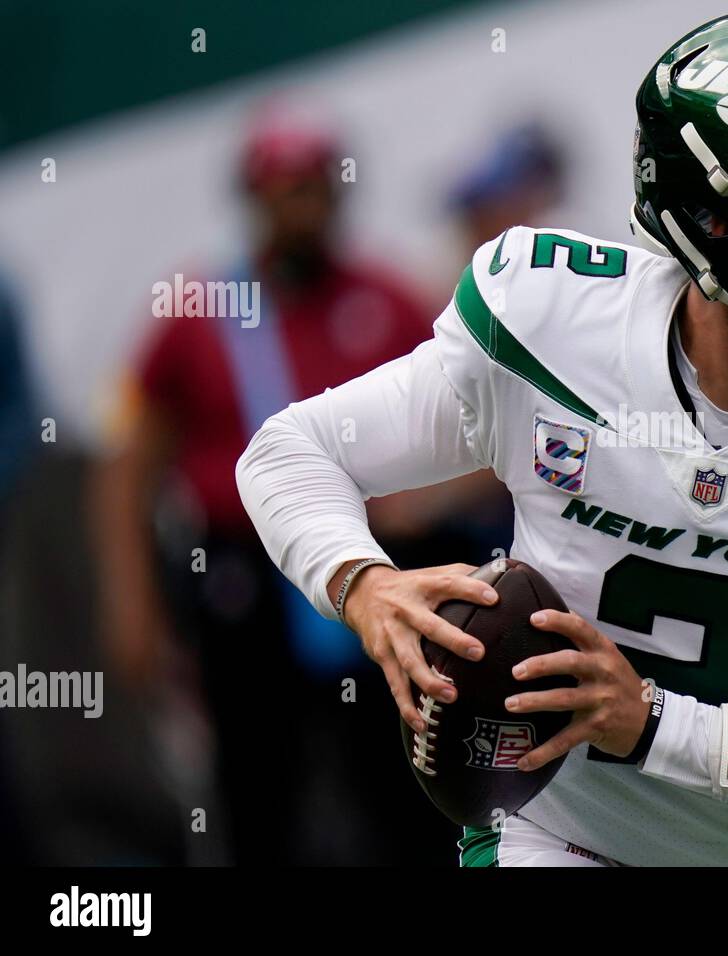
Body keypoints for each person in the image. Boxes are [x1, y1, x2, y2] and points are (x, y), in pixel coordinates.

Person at [237, 8, 728, 866]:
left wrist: (655, 724)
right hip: (557, 836)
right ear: (719, 221)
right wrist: (360, 583)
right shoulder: (552, 326)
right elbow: (289, 450)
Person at [92, 103, 462, 863]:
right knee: (260, 788)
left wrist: (422, 502)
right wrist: (131, 602)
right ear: (254, 196)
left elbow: (475, 427)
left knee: (404, 782)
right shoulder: (201, 311)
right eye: (285, 187)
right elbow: (130, 467)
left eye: (316, 185)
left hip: (377, 565)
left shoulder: (386, 299)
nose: (304, 204)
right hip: (242, 583)